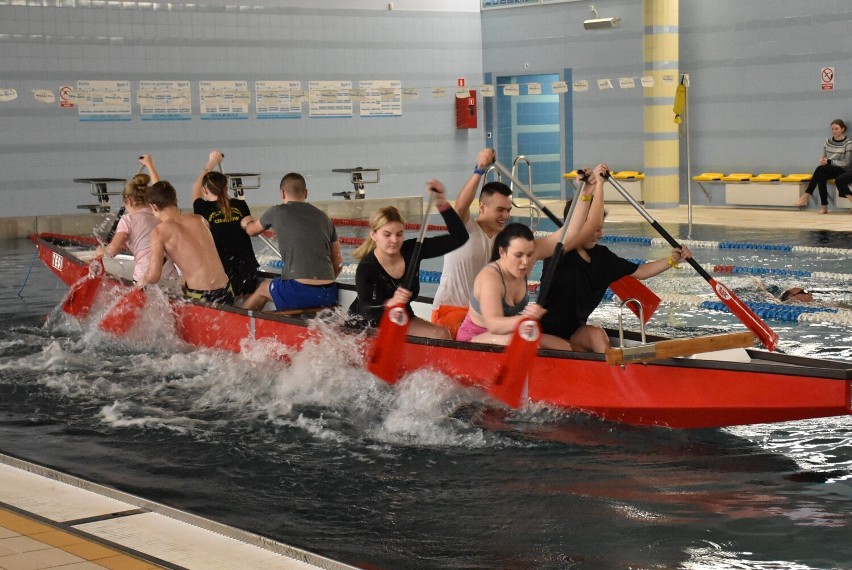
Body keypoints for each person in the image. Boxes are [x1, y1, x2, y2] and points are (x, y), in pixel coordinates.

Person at [539, 167, 693, 353]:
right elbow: (586, 224)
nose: (601, 234)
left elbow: (641, 272)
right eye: (597, 229)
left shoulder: (603, 258)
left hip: (574, 332)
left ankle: (610, 376)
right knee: (567, 350)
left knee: (598, 335)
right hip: (542, 334)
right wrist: (597, 187)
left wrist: (673, 260)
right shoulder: (558, 253)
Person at [349, 181, 468, 340]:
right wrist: (390, 303)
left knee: (442, 335)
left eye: (399, 234)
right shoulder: (367, 267)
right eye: (387, 234)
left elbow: (459, 238)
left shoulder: (413, 250)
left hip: (401, 319)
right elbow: (366, 308)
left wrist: (442, 204)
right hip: (367, 326)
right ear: (374, 235)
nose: (394, 240)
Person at [431, 148, 512, 338]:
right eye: (500, 210)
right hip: (449, 311)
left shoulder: (504, 241)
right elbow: (460, 207)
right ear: (482, 207)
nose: (506, 216)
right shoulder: (465, 228)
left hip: (481, 316)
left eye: (508, 210)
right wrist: (480, 169)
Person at [455, 223, 572, 350]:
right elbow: (494, 325)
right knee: (526, 344)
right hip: (472, 340)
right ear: (502, 252)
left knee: (563, 347)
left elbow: (570, 233)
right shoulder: (490, 278)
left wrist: (586, 202)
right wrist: (525, 318)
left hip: (505, 336)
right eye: (518, 255)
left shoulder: (522, 265)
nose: (526, 262)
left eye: (529, 255)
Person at [241, 173, 343, 312]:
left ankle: (234, 326)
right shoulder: (324, 218)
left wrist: (247, 222)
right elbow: (338, 263)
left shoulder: (277, 211)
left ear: (282, 193)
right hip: (328, 294)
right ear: (306, 193)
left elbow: (252, 231)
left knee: (264, 287)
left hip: (298, 291)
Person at [140, 181, 234, 305]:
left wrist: (139, 283)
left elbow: (153, 276)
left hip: (202, 297)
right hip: (227, 290)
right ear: (175, 200)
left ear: (153, 207)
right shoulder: (199, 219)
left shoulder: (159, 232)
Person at [192, 150, 259, 299]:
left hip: (221, 269)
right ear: (227, 189)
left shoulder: (203, 208)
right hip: (246, 266)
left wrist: (212, 162)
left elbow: (195, 189)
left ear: (204, 190)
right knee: (245, 301)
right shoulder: (240, 204)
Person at [96, 168, 178, 287]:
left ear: (127, 200)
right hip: (170, 275)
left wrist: (101, 251)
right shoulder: (159, 214)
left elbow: (112, 251)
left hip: (146, 277)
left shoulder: (127, 219)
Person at [794, 119, 852, 214]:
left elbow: (847, 163)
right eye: (832, 129)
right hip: (829, 168)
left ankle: (806, 195)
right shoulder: (827, 141)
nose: (834, 131)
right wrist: (823, 161)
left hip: (843, 169)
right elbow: (824, 156)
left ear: (843, 129)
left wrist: (829, 161)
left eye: (836, 129)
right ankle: (824, 207)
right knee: (821, 176)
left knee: (820, 170)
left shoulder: (848, 143)